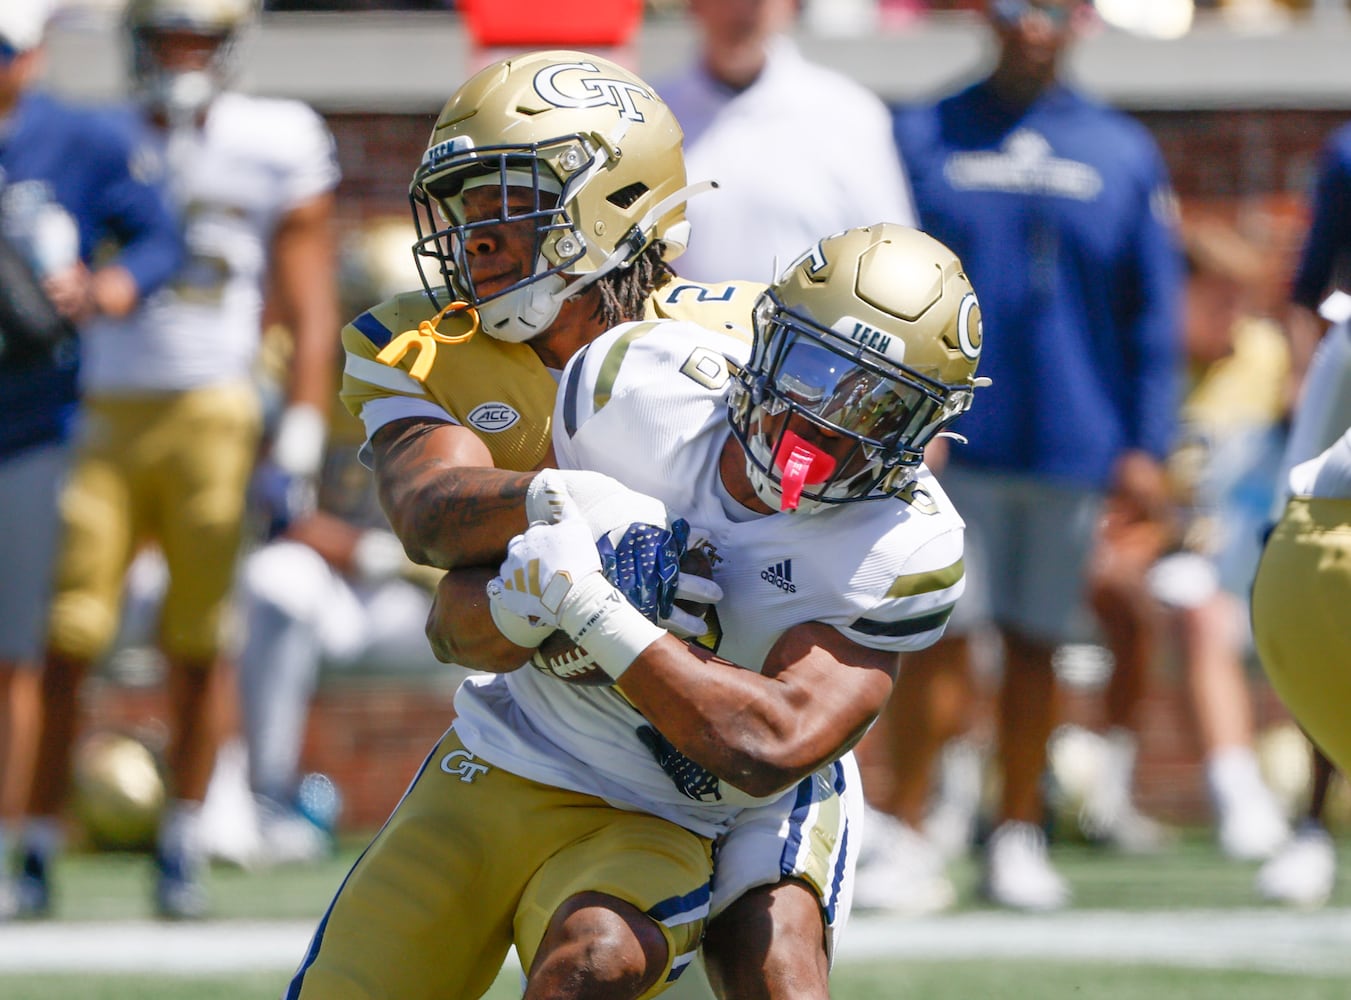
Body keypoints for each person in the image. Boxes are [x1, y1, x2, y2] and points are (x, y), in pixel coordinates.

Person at [313, 48, 892, 1000]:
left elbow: (862, 517)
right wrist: (567, 508)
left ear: (611, 204)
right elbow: (433, 530)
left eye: (508, 201)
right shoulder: (419, 344)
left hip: (712, 761)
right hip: (532, 737)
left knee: (765, 968)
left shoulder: (746, 341)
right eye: (464, 206)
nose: (473, 235)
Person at [15, 0, 340, 919]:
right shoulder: (94, 134)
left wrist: (304, 421)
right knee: (67, 636)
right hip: (99, 406)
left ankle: (183, 843)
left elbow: (308, 298)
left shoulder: (275, 138)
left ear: (231, 46)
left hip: (215, 405)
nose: (182, 59)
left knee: (200, 642)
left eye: (198, 39)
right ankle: (34, 849)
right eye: (166, 40)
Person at [874, 0, 1183, 910]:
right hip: (944, 439)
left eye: (1053, 8)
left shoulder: (1120, 149)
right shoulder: (923, 131)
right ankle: (910, 824)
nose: (1034, 25)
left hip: (1070, 439)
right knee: (935, 636)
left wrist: (1145, 443)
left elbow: (1150, 313)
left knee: (1037, 642)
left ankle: (1017, 831)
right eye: (1017, 7)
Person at [0, 0, 183, 918]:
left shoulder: (79, 137)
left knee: (20, 648)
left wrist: (107, 283)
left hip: (34, 420)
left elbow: (159, 235)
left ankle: (15, 851)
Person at [1080, 217, 1290, 861]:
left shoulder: (1269, 358)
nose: (1236, 316)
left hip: (1264, 566)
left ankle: (1245, 790)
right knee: (1188, 605)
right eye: (1221, 298)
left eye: (1243, 299)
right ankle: (1230, 796)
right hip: (1180, 567)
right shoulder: (1141, 369)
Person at [658, 0, 916, 283]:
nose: (740, 13)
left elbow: (893, 256)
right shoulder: (654, 114)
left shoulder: (849, 114)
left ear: (791, 6)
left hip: (812, 327)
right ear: (694, 5)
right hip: (678, 325)